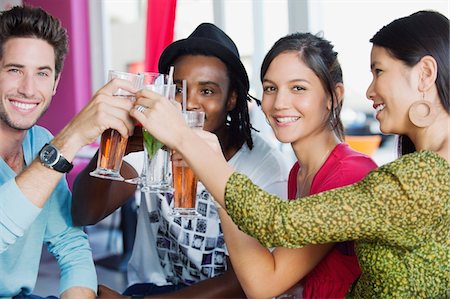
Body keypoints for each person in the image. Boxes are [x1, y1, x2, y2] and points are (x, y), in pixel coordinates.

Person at [131, 10, 449, 298]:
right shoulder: (302, 171)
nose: (368, 91)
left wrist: (191, 144)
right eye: (270, 88)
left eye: (378, 71)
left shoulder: (411, 177)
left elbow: (274, 235)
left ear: (424, 74)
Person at [72, 23, 288, 298]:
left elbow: (242, 284)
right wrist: (117, 151)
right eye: (178, 89)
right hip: (151, 288)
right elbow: (84, 214)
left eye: (207, 91)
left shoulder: (264, 165)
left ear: (232, 98)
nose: (189, 103)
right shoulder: (155, 144)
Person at [216, 33, 378, 298]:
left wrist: (215, 176)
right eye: (270, 88)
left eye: (298, 88)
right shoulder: (299, 173)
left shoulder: (350, 174)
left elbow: (264, 284)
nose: (279, 103)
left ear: (334, 97)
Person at [0, 5, 139, 298]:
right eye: (14, 70)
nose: (28, 88)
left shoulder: (39, 142)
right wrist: (71, 137)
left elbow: (71, 247)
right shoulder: (54, 145)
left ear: (55, 83)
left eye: (42, 73)